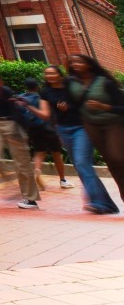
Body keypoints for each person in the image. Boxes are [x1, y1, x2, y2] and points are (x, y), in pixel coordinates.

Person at [37, 64, 115, 214]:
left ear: (60, 74)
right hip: (63, 129)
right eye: (47, 74)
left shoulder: (71, 84)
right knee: (81, 166)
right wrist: (29, 107)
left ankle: (100, 203)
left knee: (82, 163)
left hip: (81, 127)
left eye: (52, 73)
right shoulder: (45, 92)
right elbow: (46, 115)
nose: (49, 76)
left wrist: (69, 108)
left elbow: (83, 102)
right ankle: (102, 202)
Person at [0, 63, 41, 209]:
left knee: (22, 164)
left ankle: (30, 199)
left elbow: (15, 110)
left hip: (11, 124)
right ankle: (8, 179)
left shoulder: (4, 90)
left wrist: (18, 131)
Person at [68, 53, 124, 207]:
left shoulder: (105, 82)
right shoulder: (71, 83)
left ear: (89, 64)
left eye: (79, 61)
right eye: (72, 62)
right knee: (112, 163)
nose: (75, 64)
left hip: (113, 123)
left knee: (118, 158)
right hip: (91, 125)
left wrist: (105, 107)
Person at [19, 77, 71, 190]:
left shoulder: (21, 98)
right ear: (37, 87)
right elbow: (52, 113)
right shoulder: (43, 97)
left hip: (33, 128)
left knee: (39, 152)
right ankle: (63, 180)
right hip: (49, 127)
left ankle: (37, 171)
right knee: (56, 154)